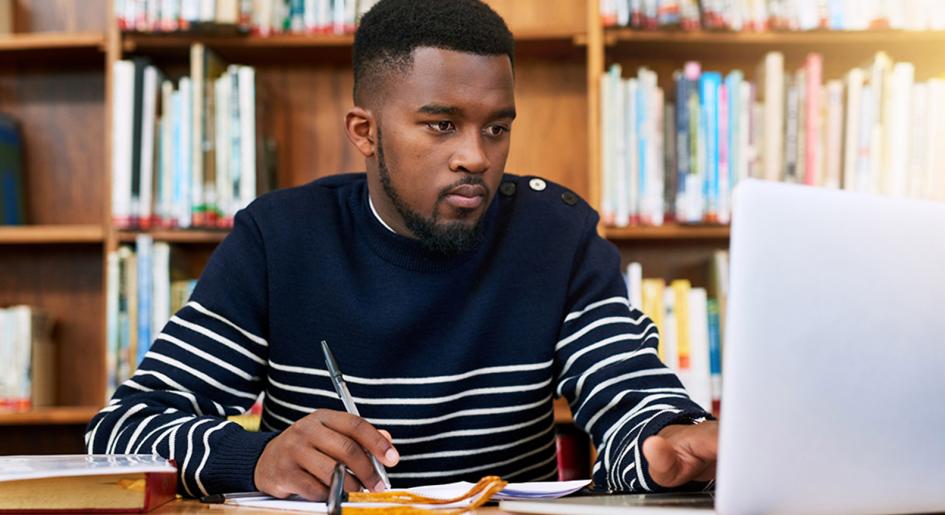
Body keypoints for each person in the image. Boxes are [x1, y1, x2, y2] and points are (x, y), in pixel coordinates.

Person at [86, 0, 718, 501]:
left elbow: (629, 390)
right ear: (365, 132)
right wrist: (258, 457)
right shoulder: (278, 240)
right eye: (441, 125)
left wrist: (664, 443)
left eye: (497, 127)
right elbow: (120, 433)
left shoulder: (558, 236)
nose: (477, 155)